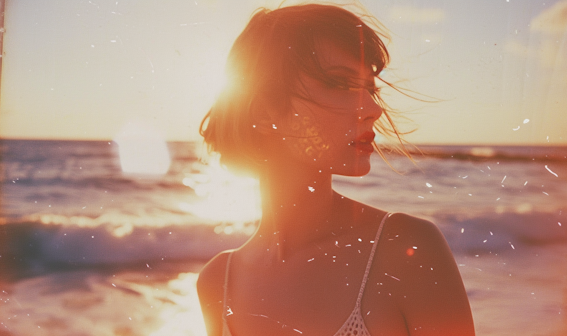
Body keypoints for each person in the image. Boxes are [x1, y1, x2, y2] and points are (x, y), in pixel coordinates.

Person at [197, 3, 475, 336]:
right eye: (341, 84)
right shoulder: (219, 282)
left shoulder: (405, 249)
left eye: (370, 89)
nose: (373, 109)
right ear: (265, 111)